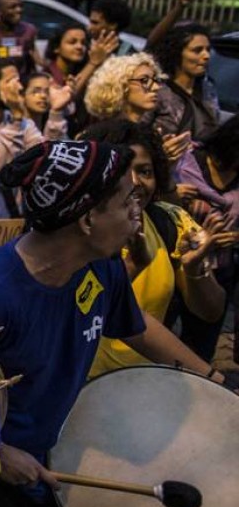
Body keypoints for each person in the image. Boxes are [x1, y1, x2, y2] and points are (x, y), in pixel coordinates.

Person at [0, 139, 225, 507]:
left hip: (55, 470)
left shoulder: (102, 264)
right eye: (128, 200)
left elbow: (135, 326)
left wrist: (217, 385)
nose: (138, 210)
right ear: (88, 219)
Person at [80, 119, 225, 377]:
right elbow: (90, 311)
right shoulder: (75, 229)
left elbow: (211, 312)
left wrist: (195, 271)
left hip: (147, 386)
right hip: (81, 390)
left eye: (145, 171)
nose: (136, 182)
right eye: (125, 171)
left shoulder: (171, 222)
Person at [171, 116, 239, 361]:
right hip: (175, 261)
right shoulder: (186, 163)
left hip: (218, 270)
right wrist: (175, 196)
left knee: (200, 348)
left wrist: (234, 237)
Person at [0, 59, 68, 218]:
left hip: (18, 221)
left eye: (19, 81)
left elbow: (47, 153)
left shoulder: (19, 122)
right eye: (12, 81)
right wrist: (17, 118)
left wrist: (55, 113)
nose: (20, 87)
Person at [151, 23, 222, 142]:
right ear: (177, 53)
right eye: (197, 50)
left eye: (208, 50)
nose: (207, 56)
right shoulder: (157, 91)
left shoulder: (207, 89)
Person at [83, 53, 165, 126]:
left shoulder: (146, 134)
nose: (156, 87)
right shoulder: (106, 136)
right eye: (144, 80)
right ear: (121, 85)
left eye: (155, 80)